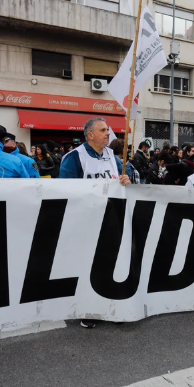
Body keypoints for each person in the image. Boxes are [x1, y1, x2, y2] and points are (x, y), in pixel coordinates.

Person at [59, 118, 130, 329]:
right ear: (90, 135)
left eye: (108, 130)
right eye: (103, 130)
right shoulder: (74, 158)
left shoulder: (112, 156)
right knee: (87, 266)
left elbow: (125, 180)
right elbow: (65, 191)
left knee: (111, 263)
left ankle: (112, 306)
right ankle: (88, 309)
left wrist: (126, 181)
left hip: (111, 219)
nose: (108, 133)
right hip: (86, 222)